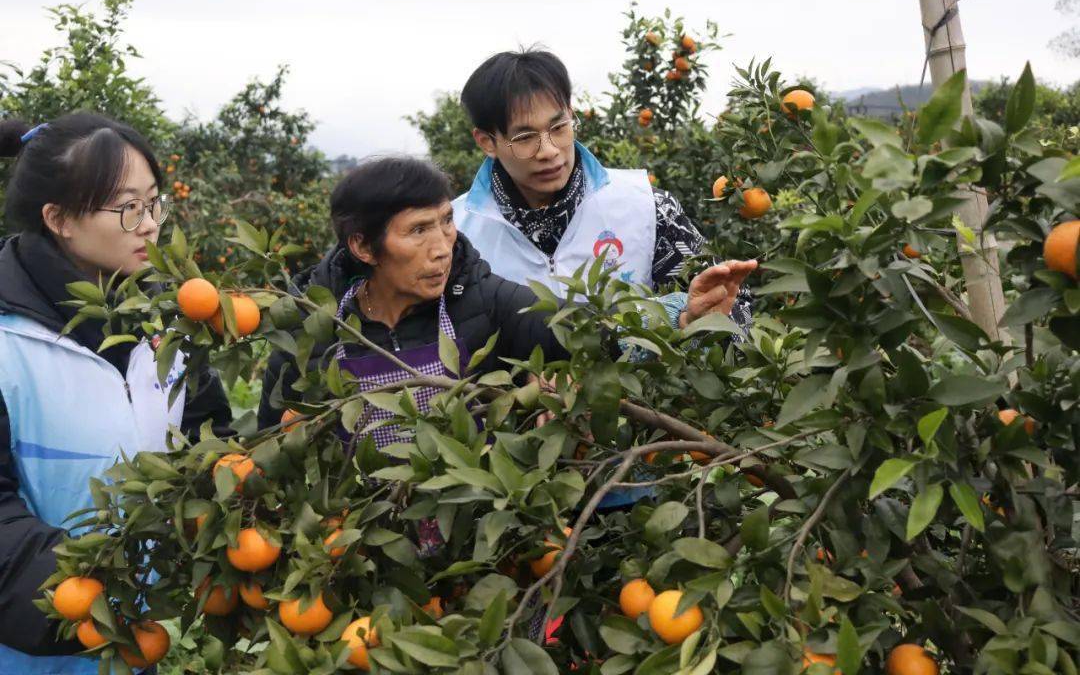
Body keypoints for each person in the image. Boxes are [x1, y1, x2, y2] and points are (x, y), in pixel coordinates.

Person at [257, 156, 754, 437]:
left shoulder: (480, 296)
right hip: (357, 558)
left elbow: (583, 336)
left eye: (446, 223)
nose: (441, 248)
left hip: (475, 551)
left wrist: (682, 315)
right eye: (417, 231)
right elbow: (272, 440)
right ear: (363, 246)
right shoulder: (312, 326)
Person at [0, 114, 232, 673]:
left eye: (154, 202)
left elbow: (207, 437)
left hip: (131, 644)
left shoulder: (173, 324)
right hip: (34, 646)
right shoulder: (8, 340)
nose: (149, 225)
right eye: (128, 208)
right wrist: (96, 594)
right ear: (58, 219)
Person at [452, 47, 755, 332]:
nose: (549, 151)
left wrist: (698, 320)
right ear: (487, 142)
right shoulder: (454, 235)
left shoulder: (648, 208)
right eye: (525, 138)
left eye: (559, 128)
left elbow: (733, 307)